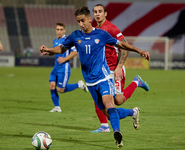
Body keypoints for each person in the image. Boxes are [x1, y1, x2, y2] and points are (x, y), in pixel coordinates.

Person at [40, 6, 150, 148]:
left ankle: (117, 133)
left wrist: (139, 51)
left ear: (89, 19)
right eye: (78, 21)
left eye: (83, 21)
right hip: (90, 82)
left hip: (104, 77)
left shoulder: (101, 34)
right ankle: (133, 112)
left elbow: (121, 44)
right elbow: (61, 48)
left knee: (110, 103)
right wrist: (48, 50)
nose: (81, 24)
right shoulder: (75, 36)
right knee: (109, 113)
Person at [91, 4, 149, 132]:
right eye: (95, 12)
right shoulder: (95, 30)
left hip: (114, 69)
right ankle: (104, 126)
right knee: (100, 97)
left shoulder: (111, 28)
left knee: (118, 100)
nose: (97, 14)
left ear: (105, 14)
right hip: (103, 72)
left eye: (100, 11)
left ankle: (136, 83)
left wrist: (120, 66)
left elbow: (125, 46)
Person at [42, 22, 88, 112]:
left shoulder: (68, 40)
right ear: (55, 30)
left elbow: (75, 52)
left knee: (61, 89)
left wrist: (65, 59)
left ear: (64, 30)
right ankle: (57, 107)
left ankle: (79, 85)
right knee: (52, 85)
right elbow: (55, 52)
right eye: (58, 29)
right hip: (56, 67)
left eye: (61, 30)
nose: (59, 31)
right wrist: (47, 52)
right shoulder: (55, 40)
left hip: (64, 67)